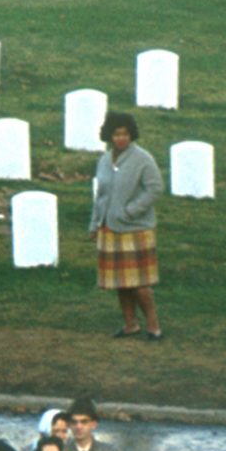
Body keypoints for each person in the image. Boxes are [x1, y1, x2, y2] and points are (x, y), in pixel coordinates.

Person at [89, 111, 163, 341]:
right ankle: (130, 324)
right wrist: (94, 223)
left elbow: (155, 188)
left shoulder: (142, 159)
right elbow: (100, 195)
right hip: (109, 227)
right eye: (116, 134)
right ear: (109, 136)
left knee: (140, 284)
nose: (121, 138)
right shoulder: (104, 160)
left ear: (131, 135)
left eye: (125, 134)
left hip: (135, 228)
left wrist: (130, 211)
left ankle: (153, 326)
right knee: (120, 282)